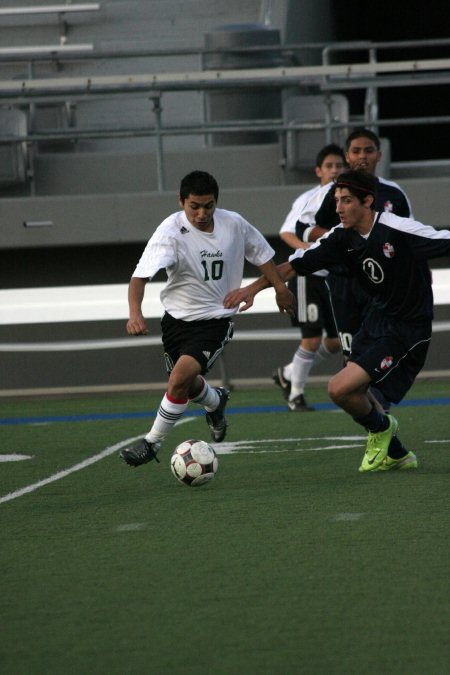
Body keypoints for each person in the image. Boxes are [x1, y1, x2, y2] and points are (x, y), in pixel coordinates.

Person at [224, 169, 450, 473]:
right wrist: (252, 289)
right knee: (357, 393)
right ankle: (395, 452)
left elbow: (444, 240)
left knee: (340, 389)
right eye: (336, 200)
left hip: (407, 330)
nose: (338, 207)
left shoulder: (399, 230)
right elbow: (293, 266)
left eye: (346, 200)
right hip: (374, 322)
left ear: (368, 200)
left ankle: (382, 430)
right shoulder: (340, 236)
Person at [120, 170, 294, 468]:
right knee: (186, 386)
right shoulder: (169, 233)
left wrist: (280, 288)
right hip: (175, 322)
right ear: (181, 201)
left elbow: (263, 256)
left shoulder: (234, 223)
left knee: (178, 379)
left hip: (216, 320)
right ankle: (215, 401)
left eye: (208, 206)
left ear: (217, 203)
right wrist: (134, 313)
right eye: (194, 206)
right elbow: (139, 277)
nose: (202, 213)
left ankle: (152, 442)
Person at [273, 143, 346, 411]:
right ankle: (296, 395)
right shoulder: (309, 198)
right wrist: (311, 250)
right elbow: (287, 231)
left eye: (339, 165)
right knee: (312, 338)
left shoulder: (346, 197)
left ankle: (289, 372)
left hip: (333, 277)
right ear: (318, 171)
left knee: (337, 341)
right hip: (309, 275)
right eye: (329, 166)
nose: (335, 170)